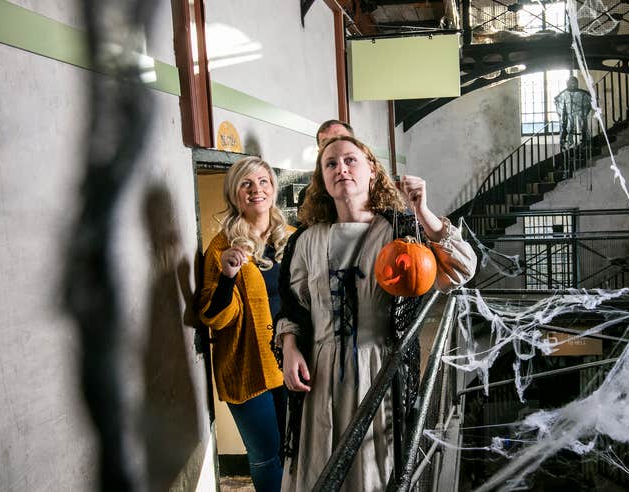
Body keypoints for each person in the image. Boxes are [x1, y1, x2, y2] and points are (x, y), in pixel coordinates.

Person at [274, 135, 477, 491]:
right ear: (322, 180)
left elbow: (462, 270)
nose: (341, 169)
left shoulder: (401, 230)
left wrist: (423, 214)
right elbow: (294, 306)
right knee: (320, 464)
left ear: (372, 171)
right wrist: (290, 347)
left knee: (371, 468)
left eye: (351, 160)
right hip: (319, 373)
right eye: (331, 164)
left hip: (379, 367)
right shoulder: (305, 241)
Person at [198, 156, 290, 492]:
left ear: (273, 188)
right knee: (266, 457)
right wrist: (227, 276)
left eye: (263, 182)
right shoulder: (221, 247)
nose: (256, 190)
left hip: (293, 362)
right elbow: (213, 317)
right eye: (246, 183)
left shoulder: (290, 238)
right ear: (234, 194)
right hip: (247, 367)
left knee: (295, 451)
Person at [554, 76, 592, 155]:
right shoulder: (563, 94)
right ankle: (566, 141)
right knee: (566, 127)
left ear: (577, 83)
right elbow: (559, 104)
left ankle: (584, 142)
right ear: (568, 84)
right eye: (571, 83)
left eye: (574, 83)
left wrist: (582, 113)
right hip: (568, 117)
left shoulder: (583, 94)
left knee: (583, 127)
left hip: (580, 117)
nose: (573, 85)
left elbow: (588, 104)